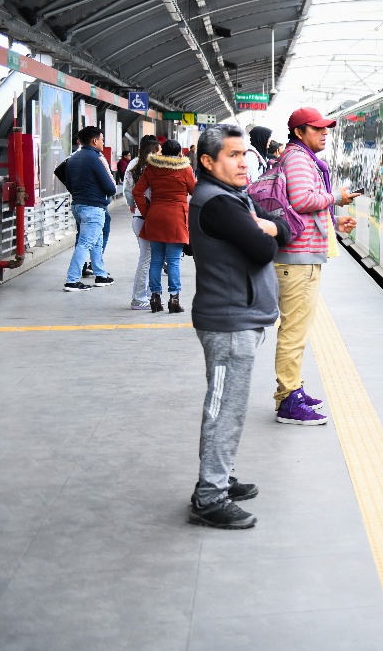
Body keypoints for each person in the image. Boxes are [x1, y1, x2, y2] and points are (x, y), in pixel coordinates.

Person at [188, 125, 291, 529]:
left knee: (228, 406)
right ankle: (210, 497)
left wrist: (268, 227)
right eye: (233, 155)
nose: (244, 162)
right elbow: (265, 247)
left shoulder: (234, 196)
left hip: (239, 318)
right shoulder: (218, 203)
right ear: (208, 161)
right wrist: (267, 230)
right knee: (224, 410)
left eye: (244, 154)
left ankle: (221, 477)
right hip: (229, 322)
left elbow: (283, 226)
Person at [272, 107, 359, 425]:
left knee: (296, 329)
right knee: (294, 332)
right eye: (316, 128)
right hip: (297, 261)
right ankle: (288, 401)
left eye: (325, 129)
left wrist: (334, 223)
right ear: (299, 132)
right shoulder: (298, 159)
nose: (324, 133)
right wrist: (336, 198)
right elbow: (301, 200)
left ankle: (293, 389)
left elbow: (301, 206)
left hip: (301, 258)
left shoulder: (299, 158)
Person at [134, 139, 195, 313]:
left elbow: (137, 191)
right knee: (173, 261)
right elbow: (195, 191)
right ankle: (174, 299)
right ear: (179, 153)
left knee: (156, 260)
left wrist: (147, 211)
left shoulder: (151, 168)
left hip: (155, 216)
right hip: (176, 217)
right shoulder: (185, 169)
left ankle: (155, 297)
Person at [63, 125, 117, 292]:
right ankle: (72, 280)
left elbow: (69, 184)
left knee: (97, 241)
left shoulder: (73, 158)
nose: (102, 143)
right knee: (85, 243)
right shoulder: (95, 158)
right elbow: (110, 187)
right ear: (94, 141)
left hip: (78, 205)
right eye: (102, 140)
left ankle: (100, 275)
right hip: (93, 207)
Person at [123, 135, 160, 310]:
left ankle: (148, 295)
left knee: (148, 257)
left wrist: (132, 204)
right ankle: (139, 298)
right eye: (159, 150)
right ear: (153, 150)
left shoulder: (133, 165)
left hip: (138, 217)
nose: (161, 153)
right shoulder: (153, 167)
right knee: (147, 258)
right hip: (147, 217)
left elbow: (127, 189)